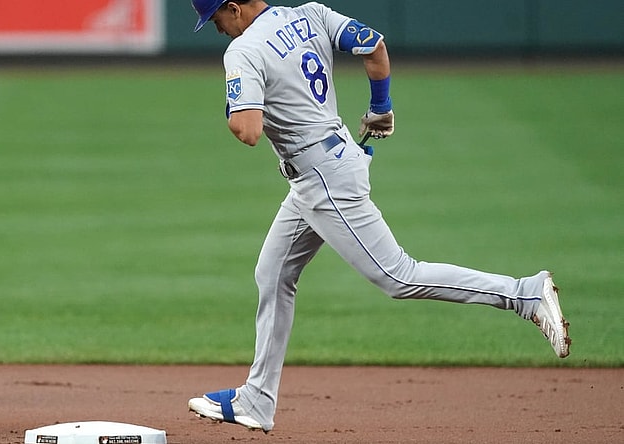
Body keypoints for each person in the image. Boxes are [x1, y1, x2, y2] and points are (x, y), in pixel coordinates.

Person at [186, 0, 571, 433]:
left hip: (324, 179)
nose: (217, 29)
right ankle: (257, 399)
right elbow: (374, 47)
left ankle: (524, 294)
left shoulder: (242, 51)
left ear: (233, 7)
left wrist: (236, 100)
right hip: (329, 163)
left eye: (215, 19)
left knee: (399, 276)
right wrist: (381, 106)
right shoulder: (307, 13)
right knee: (273, 274)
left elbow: (248, 130)